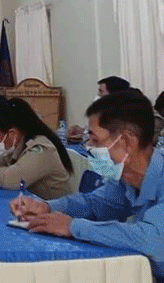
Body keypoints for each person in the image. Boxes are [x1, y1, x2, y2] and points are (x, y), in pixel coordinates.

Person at [11, 91, 164, 282]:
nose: (88, 147)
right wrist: (47, 207)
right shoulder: (125, 179)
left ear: (126, 142)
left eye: (95, 140)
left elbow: (154, 242)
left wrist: (73, 227)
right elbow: (95, 204)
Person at [0, 95, 73, 199]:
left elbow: (14, 179)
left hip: (56, 210)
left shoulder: (41, 149)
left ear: (12, 134)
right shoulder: (20, 145)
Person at [68, 76, 132, 141]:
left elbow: (105, 137)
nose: (98, 94)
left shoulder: (122, 115)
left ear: (113, 94)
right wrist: (82, 131)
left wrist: (85, 134)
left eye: (101, 91)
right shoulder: (104, 109)